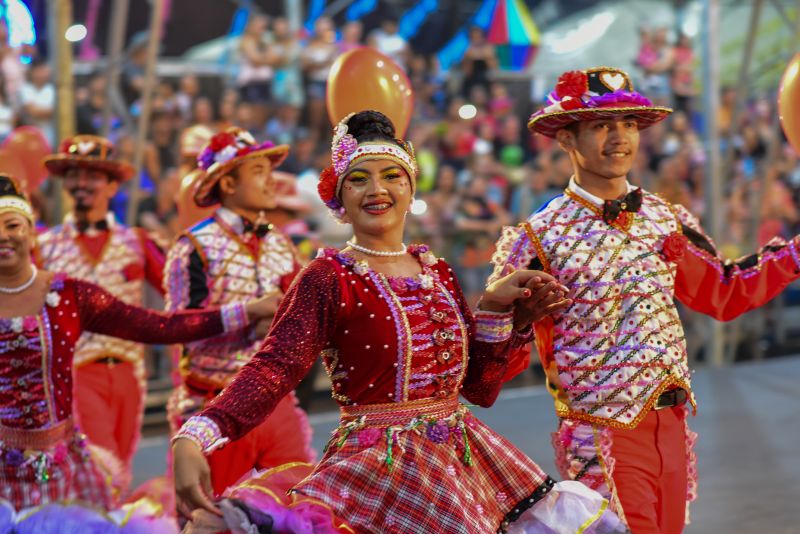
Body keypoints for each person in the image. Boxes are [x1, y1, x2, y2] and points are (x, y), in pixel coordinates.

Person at [172, 111, 628, 533]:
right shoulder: (327, 277)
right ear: (339, 198)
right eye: (359, 180)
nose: (377, 190)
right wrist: (195, 436)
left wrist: (500, 314)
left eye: (392, 176)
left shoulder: (437, 271)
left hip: (465, 463)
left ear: (411, 190)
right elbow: (273, 367)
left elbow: (478, 390)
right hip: (376, 471)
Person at [492, 66, 800, 533]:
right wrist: (507, 319)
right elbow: (496, 364)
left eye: (629, 125)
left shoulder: (663, 217)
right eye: (601, 126)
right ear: (566, 139)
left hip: (672, 426)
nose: (619, 139)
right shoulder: (539, 238)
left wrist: (796, 252)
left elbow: (723, 291)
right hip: (601, 435)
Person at [0, 174, 278, 527]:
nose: (4, 236)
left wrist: (245, 311)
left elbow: (157, 325)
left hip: (64, 470)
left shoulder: (67, 294)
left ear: (29, 229)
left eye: (12, 225)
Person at [164, 127, 315, 497]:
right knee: (216, 514)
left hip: (276, 402)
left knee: (298, 507)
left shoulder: (280, 242)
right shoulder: (194, 246)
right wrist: (248, 313)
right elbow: (179, 327)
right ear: (228, 185)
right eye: (259, 172)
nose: (271, 181)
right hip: (217, 404)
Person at [36, 135, 167, 493]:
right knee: (101, 470)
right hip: (75, 374)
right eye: (74, 175)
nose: (81, 184)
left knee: (119, 469)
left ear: (112, 186)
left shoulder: (137, 241)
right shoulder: (42, 248)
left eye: (93, 176)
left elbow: (180, 293)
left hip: (130, 375)